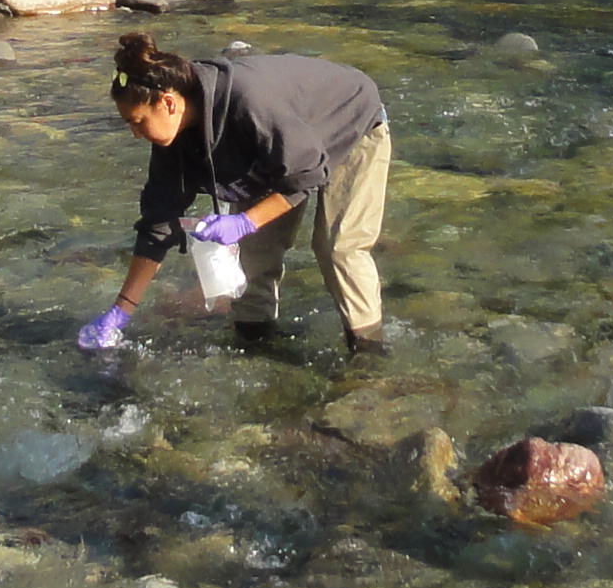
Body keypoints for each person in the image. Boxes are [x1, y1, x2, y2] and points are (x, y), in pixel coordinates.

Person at [75, 33, 392, 354]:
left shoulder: (249, 103)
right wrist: (121, 310)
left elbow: (304, 176)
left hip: (350, 123)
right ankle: (255, 343)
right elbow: (157, 226)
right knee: (257, 250)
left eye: (138, 122)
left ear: (168, 103)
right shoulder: (172, 141)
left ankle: (368, 353)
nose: (135, 134)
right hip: (278, 148)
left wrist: (244, 221)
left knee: (338, 248)